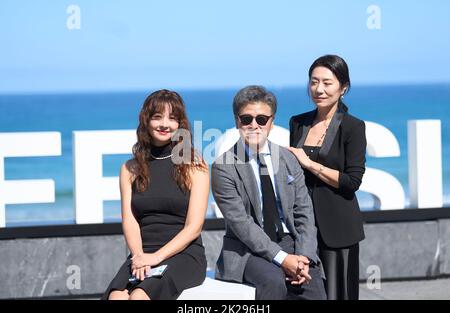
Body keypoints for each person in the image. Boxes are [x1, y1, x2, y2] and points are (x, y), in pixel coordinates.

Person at [212, 85, 326, 300]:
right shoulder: (223, 166)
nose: (254, 125)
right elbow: (241, 225)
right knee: (273, 283)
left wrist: (304, 257)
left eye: (261, 119)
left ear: (271, 122)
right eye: (246, 119)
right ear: (237, 122)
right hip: (247, 250)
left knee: (315, 292)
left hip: (289, 241)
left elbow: (304, 212)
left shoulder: (288, 159)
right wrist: (283, 259)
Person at [103, 89, 209, 300]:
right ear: (146, 121)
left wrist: (155, 258)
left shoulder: (195, 166)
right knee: (117, 297)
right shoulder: (129, 169)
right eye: (157, 117)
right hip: (141, 253)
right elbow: (130, 221)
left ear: (180, 124)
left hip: (184, 254)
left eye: (172, 118)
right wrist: (139, 256)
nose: (165, 124)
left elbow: (193, 228)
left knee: (139, 296)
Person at [288, 55, 366, 300]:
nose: (319, 89)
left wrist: (310, 164)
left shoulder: (353, 127)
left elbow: (352, 182)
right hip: (302, 225)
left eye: (327, 82)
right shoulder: (297, 123)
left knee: (337, 294)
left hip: (338, 227)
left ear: (343, 88)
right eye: (313, 82)